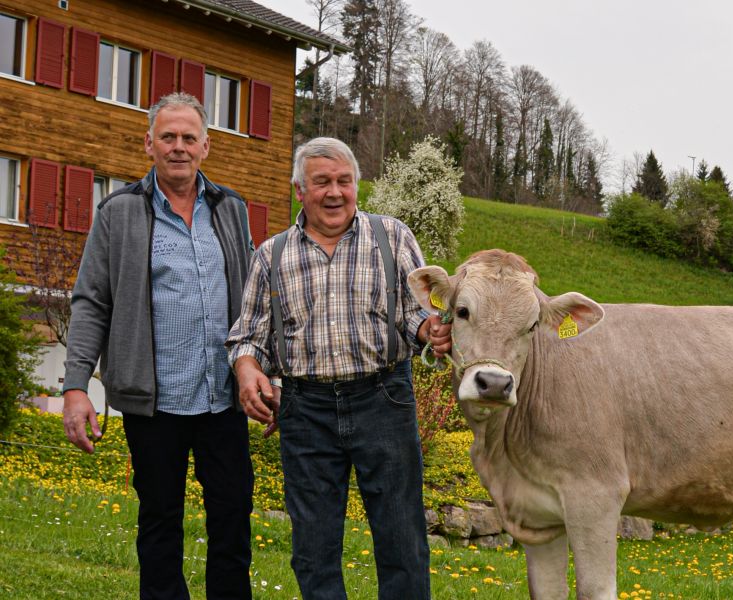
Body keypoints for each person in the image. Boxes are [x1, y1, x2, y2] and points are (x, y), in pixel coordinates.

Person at [226, 137, 450, 600]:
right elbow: (248, 336)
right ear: (299, 190)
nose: (334, 192)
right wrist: (248, 371)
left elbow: (414, 315)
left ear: (356, 186)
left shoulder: (392, 237)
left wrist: (429, 329)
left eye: (344, 181)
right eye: (322, 182)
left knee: (402, 539)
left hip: (383, 398)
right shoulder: (271, 255)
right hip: (305, 410)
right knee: (313, 547)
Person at [62, 92, 255, 599]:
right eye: (167, 137)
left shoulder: (230, 209)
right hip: (155, 404)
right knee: (159, 525)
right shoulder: (118, 212)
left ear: (206, 146)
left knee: (233, 521)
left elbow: (255, 302)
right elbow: (91, 302)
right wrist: (76, 388)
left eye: (189, 137)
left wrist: (262, 372)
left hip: (223, 399)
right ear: (149, 143)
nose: (178, 147)